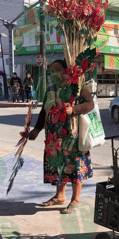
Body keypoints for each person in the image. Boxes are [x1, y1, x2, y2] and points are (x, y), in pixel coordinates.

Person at [28, 59, 94, 214]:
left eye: (57, 69)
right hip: (53, 137)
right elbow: (44, 111)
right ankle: (60, 195)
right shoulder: (50, 89)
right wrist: (37, 129)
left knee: (74, 166)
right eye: (52, 70)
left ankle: (76, 198)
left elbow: (90, 104)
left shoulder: (77, 87)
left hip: (73, 135)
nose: (54, 72)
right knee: (58, 165)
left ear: (66, 70)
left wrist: (75, 109)